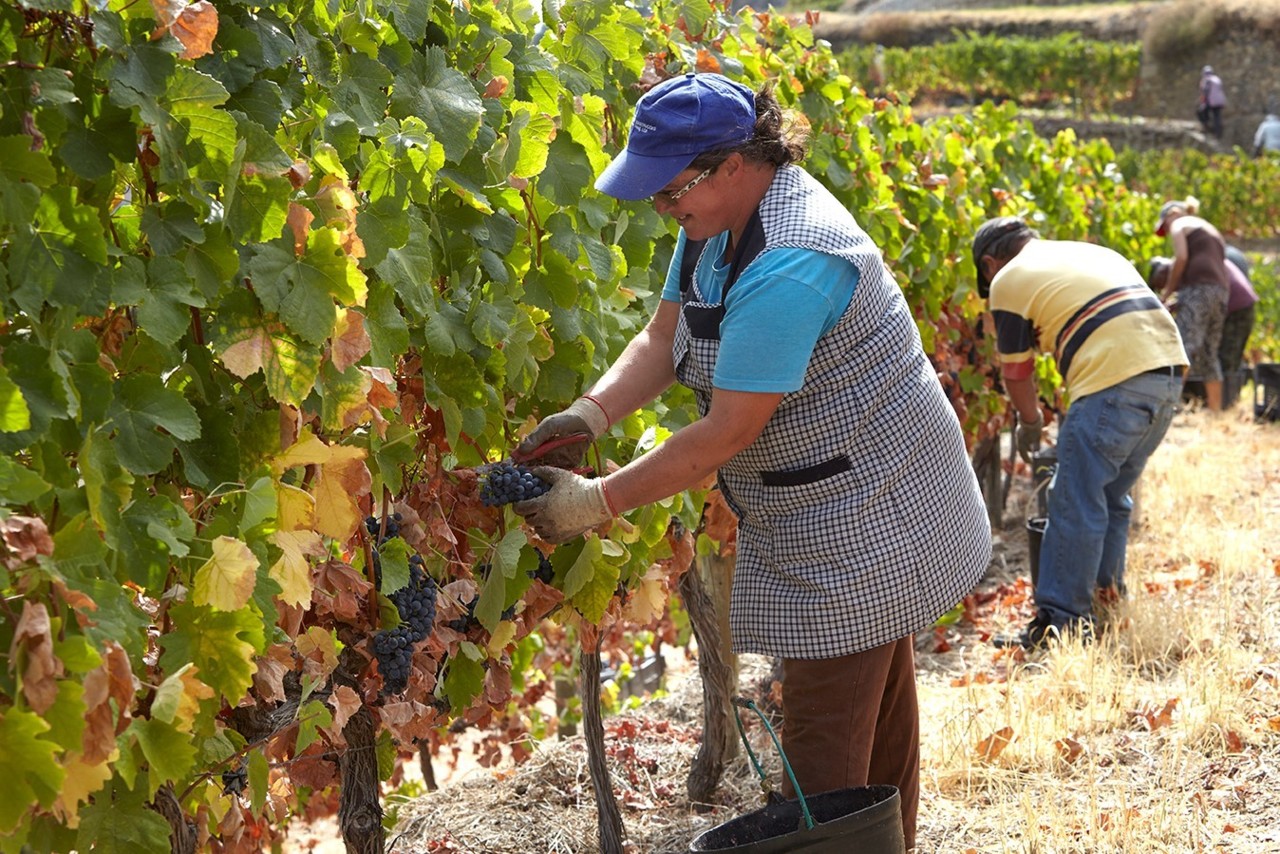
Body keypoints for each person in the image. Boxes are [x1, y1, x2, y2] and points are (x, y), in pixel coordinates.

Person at [512, 72, 991, 849]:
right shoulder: (714, 223)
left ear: (731, 163)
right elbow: (665, 337)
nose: (664, 210)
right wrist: (592, 412)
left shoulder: (793, 262)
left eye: (671, 193)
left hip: (872, 518)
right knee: (877, 724)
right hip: (837, 500)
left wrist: (591, 502)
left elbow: (723, 434)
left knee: (824, 767)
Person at [971, 218, 1187, 649]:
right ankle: (1105, 598)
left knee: (1072, 500)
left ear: (991, 263)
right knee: (1110, 497)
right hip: (1168, 376)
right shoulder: (1090, 253)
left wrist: (1029, 422)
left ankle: (1063, 623)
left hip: (1114, 380)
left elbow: (1017, 372)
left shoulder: (1008, 279)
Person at [1149, 251, 1257, 406]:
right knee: (1216, 356)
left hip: (1237, 308)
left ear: (1163, 273)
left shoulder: (1184, 265)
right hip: (1234, 305)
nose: (1165, 288)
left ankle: (1223, 408)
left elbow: (1188, 340)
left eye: (1161, 285)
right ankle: (1220, 408)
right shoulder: (1191, 265)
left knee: (1221, 357)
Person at [1155, 197, 1231, 410]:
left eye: (1165, 225)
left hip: (1198, 290)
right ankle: (1216, 413)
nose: (1169, 230)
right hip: (1220, 292)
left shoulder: (1180, 224)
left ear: (1172, 215)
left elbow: (1181, 258)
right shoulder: (1209, 228)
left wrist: (1167, 293)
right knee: (1209, 352)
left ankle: (1167, 409)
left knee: (1183, 347)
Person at [1197, 65, 1226, 138]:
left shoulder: (1206, 80)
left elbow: (1205, 92)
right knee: (1217, 116)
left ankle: (1206, 127)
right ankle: (1218, 133)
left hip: (1211, 101)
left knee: (1201, 112)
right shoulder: (1217, 79)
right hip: (1220, 101)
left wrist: (1203, 101)